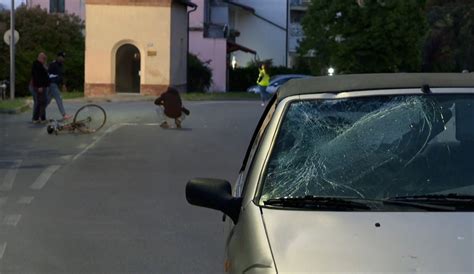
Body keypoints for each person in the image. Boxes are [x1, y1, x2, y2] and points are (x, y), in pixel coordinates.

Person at [48, 52, 72, 120]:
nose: (63, 59)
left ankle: (39, 114)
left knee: (47, 100)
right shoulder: (53, 64)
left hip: (55, 84)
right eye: (61, 57)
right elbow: (48, 73)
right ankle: (64, 115)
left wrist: (63, 84)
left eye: (63, 57)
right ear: (58, 57)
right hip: (52, 83)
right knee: (59, 98)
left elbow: (61, 76)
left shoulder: (61, 65)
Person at [31, 52, 50, 124]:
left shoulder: (40, 65)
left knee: (41, 102)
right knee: (42, 102)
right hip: (40, 86)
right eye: (44, 59)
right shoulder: (36, 65)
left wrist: (45, 67)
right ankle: (41, 118)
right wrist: (39, 86)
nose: (45, 61)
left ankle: (37, 118)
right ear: (41, 58)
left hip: (42, 86)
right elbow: (37, 77)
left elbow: (45, 73)